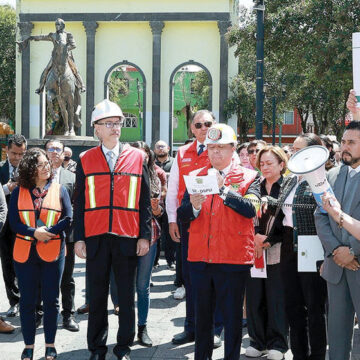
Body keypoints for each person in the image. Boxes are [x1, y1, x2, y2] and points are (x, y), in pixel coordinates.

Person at [73, 99, 152, 360]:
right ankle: (97, 348)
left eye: (118, 123)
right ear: (96, 128)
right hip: (95, 238)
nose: (115, 127)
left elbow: (144, 200)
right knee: (96, 297)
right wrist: (79, 238)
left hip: (127, 237)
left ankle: (123, 346)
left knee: (126, 298)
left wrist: (145, 235)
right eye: (109, 123)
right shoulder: (85, 159)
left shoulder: (137, 157)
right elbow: (80, 202)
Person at [177, 124, 260, 359]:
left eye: (221, 148)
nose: (216, 153)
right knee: (202, 317)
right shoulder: (195, 176)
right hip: (200, 258)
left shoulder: (250, 176)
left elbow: (251, 209)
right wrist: (192, 206)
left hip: (233, 259)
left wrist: (224, 191)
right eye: (212, 148)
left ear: (233, 149)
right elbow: (182, 214)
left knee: (232, 318)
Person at [9, 147, 72, 360]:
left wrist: (48, 233)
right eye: (40, 164)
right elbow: (13, 223)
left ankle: (50, 345)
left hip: (53, 252)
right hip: (24, 253)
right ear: (30, 168)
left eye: (47, 163)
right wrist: (33, 232)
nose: (46, 167)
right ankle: (28, 345)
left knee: (52, 299)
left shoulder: (60, 189)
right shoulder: (18, 191)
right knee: (27, 301)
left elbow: (68, 218)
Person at [166, 110, 223, 346]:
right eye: (198, 124)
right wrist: (171, 219)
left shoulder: (222, 150)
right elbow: (173, 188)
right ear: (191, 128)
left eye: (207, 124)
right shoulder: (182, 152)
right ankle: (191, 327)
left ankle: (215, 329)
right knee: (191, 277)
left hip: (216, 221)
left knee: (215, 276)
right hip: (189, 221)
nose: (202, 128)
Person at [314, 120, 360, 360]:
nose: (344, 147)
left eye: (351, 142)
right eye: (343, 141)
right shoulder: (330, 176)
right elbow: (320, 216)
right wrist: (336, 250)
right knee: (337, 339)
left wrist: (353, 251)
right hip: (336, 268)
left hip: (358, 264)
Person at [279, 133, 327, 360]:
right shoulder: (289, 179)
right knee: (293, 305)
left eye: (298, 149)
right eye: (292, 148)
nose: (292, 153)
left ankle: (317, 354)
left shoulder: (322, 180)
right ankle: (298, 354)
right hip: (289, 246)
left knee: (314, 306)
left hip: (314, 245)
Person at [245, 146, 288, 360]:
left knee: (276, 297)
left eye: (270, 163)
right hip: (253, 249)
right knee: (254, 297)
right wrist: (254, 237)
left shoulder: (288, 187)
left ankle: (277, 343)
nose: (265, 167)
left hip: (277, 250)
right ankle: (257, 341)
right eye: (262, 163)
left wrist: (269, 240)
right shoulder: (254, 185)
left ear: (282, 164)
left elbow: (287, 221)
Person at [131, 141, 164, 347]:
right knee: (125, 286)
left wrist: (156, 207)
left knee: (142, 286)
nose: (141, 158)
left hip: (148, 234)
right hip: (124, 234)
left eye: (145, 154)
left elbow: (158, 211)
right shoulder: (122, 175)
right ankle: (126, 328)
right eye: (137, 154)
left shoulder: (154, 176)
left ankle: (142, 328)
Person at [45, 139, 78, 332]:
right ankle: (41, 312)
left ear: (64, 152)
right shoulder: (37, 175)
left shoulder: (71, 177)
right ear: (45, 151)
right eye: (51, 148)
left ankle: (68, 315)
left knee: (67, 277)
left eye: (58, 149)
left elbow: (77, 205)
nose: (55, 152)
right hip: (41, 234)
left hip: (67, 234)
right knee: (43, 276)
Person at [17, 18, 85, 94]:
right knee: (46, 70)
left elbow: (73, 45)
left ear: (62, 25)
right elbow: (42, 37)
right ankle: (40, 87)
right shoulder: (53, 35)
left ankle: (82, 85)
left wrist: (64, 49)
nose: (57, 26)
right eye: (56, 24)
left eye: (58, 24)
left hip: (65, 56)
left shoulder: (68, 35)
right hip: (55, 57)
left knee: (74, 69)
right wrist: (31, 38)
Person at [0, 134, 26, 318]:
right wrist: (7, 189)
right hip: (4, 226)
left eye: (21, 153)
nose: (17, 157)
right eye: (14, 153)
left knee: (25, 263)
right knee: (8, 264)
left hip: (25, 225)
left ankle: (29, 299)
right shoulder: (0, 170)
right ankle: (14, 301)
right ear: (6, 150)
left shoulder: (31, 169)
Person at [154, 140, 176, 269]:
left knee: (169, 233)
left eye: (162, 146)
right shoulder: (151, 164)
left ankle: (170, 260)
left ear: (168, 148)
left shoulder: (174, 163)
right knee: (155, 232)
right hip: (155, 203)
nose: (160, 149)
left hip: (170, 203)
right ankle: (154, 260)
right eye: (158, 147)